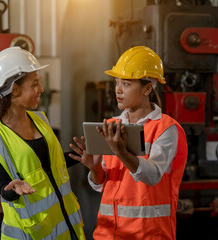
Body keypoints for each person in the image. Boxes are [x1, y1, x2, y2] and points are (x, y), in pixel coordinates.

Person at [69, 46, 188, 239]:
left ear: (147, 88)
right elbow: (102, 185)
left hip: (148, 234)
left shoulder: (166, 129)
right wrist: (95, 168)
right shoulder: (112, 125)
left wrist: (122, 153)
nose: (118, 90)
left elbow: (152, 176)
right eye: (116, 82)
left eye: (126, 84)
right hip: (108, 234)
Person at [0, 47, 85, 240]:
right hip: (31, 234)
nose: (41, 89)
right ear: (14, 89)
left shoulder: (40, 119)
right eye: (35, 84)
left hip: (65, 229)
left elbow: (48, 168)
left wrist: (80, 154)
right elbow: (5, 186)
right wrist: (14, 189)